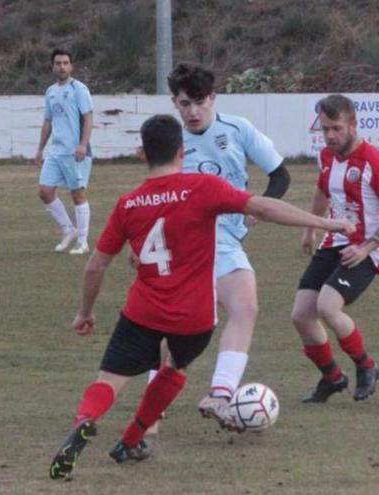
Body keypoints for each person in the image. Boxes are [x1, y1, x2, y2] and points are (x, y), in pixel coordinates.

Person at [48, 114, 352, 480]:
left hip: (142, 312)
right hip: (193, 318)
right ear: (181, 151)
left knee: (110, 379)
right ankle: (131, 440)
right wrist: (324, 223)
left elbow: (96, 266)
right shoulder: (203, 187)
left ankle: (85, 420)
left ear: (143, 153)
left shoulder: (128, 204)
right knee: (174, 367)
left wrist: (85, 312)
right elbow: (263, 207)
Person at [155, 62, 291, 429]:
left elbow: (280, 175)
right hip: (189, 238)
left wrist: (259, 208)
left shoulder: (238, 130)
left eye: (199, 102)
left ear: (213, 98)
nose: (193, 111)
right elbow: (156, 196)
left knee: (196, 318)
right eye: (184, 104)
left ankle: (168, 393)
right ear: (175, 103)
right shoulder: (171, 143)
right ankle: (217, 392)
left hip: (226, 237)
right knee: (236, 308)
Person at [291, 94, 379, 404]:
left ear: (353, 125)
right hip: (335, 242)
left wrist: (366, 248)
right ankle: (332, 378)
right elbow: (322, 189)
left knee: (327, 307)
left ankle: (366, 366)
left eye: (336, 129)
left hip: (368, 248)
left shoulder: (375, 162)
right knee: (301, 315)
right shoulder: (327, 157)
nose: (329, 136)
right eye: (325, 129)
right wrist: (311, 228)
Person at [33, 48, 95, 255]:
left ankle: (83, 242)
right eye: (58, 63)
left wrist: (83, 145)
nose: (62, 67)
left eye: (65, 63)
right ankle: (69, 229)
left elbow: (88, 117)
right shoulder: (50, 91)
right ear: (52, 66)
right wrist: (40, 149)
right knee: (45, 191)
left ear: (71, 66)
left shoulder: (79, 89)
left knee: (77, 194)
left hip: (75, 151)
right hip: (56, 151)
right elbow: (48, 121)